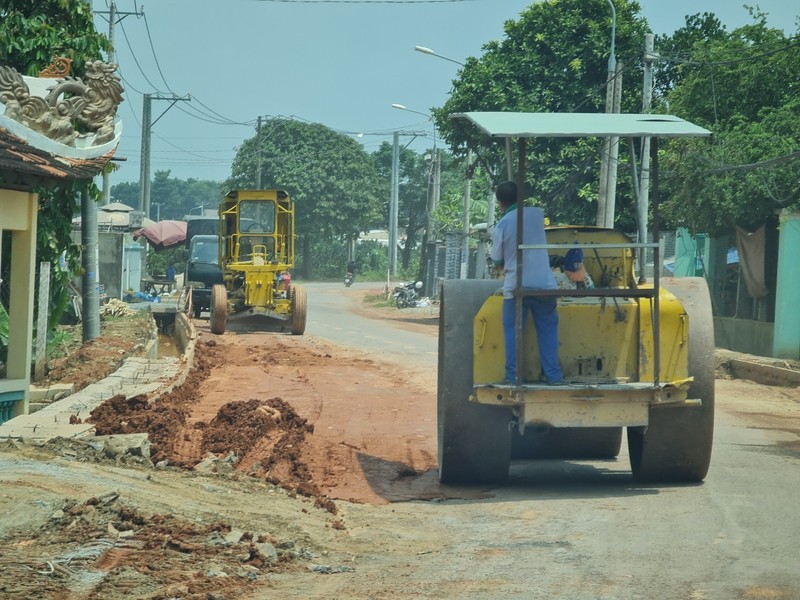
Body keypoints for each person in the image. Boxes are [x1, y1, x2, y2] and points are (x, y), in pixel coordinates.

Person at [490, 181, 563, 385]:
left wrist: (502, 261)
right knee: (548, 330)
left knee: (513, 331)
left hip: (516, 286)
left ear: (500, 203)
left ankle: (513, 376)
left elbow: (497, 258)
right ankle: (554, 377)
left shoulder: (502, 224)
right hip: (545, 285)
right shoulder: (537, 214)